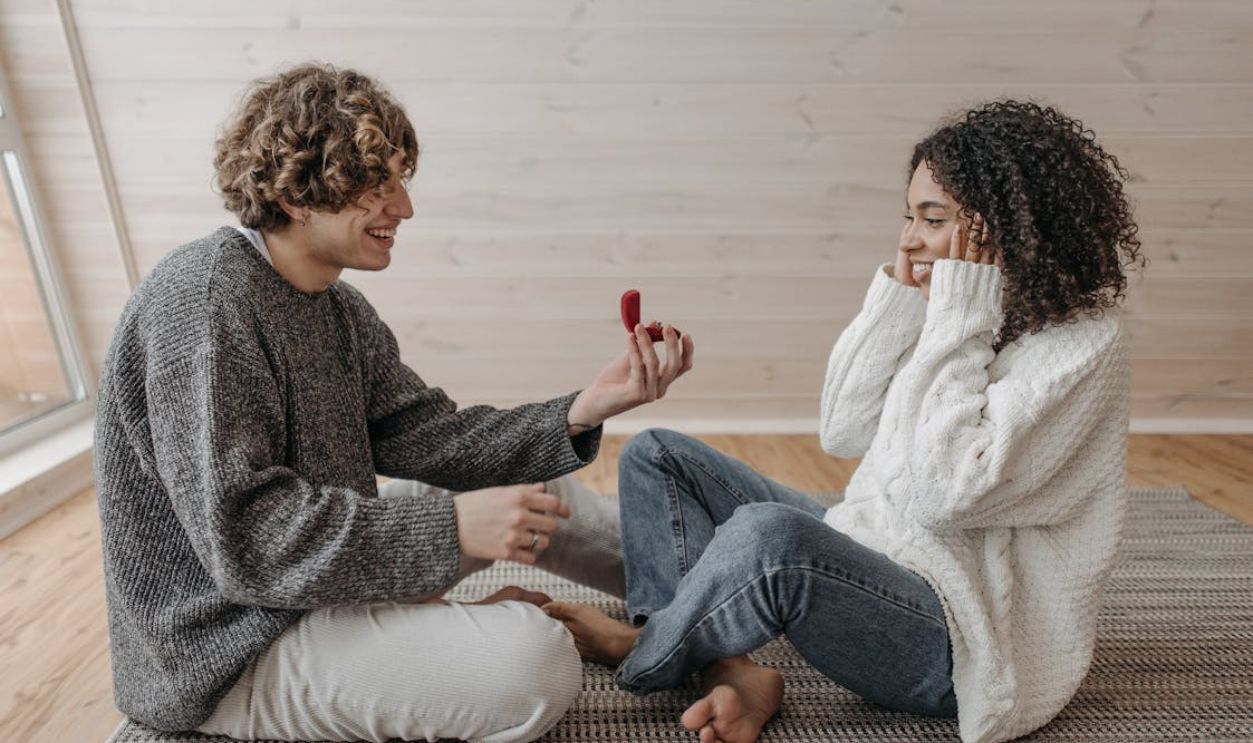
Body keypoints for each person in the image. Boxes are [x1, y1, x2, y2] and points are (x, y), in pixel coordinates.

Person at [93, 63, 694, 743]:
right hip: (231, 651)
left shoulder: (340, 309)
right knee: (536, 660)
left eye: (400, 180)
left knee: (530, 485)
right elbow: (249, 539)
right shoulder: (202, 305)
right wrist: (450, 528)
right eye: (377, 184)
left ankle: (700, 607)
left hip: (315, 592)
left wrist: (584, 406)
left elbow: (430, 438)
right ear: (296, 193)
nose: (403, 207)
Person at [544, 100, 1145, 743]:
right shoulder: (955, 312)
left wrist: (958, 317)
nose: (910, 238)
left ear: (1005, 231)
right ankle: (727, 666)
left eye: (931, 219)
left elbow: (942, 498)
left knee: (769, 536)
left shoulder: (1081, 348)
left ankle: (647, 651)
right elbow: (842, 429)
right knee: (658, 454)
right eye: (907, 216)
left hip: (957, 643)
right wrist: (900, 298)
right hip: (875, 555)